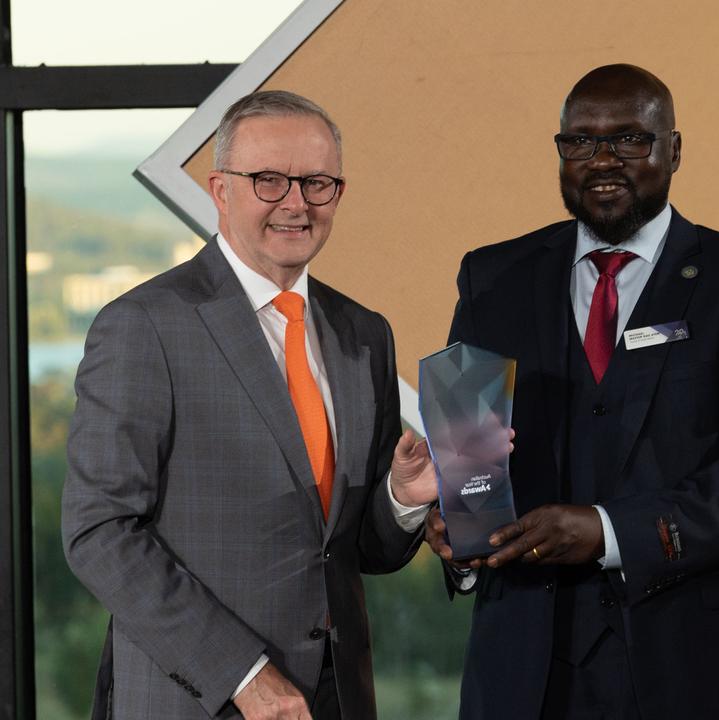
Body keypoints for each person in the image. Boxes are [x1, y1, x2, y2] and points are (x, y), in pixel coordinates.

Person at [426, 63, 719, 720]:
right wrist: (459, 533)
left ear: (674, 150)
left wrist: (609, 531)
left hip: (697, 664)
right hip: (523, 670)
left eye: (629, 140)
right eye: (579, 142)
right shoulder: (492, 279)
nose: (601, 160)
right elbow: (468, 458)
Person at [62, 90, 438, 720]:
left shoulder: (363, 334)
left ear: (338, 193)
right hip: (196, 699)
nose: (296, 202)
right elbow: (100, 533)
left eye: (317, 182)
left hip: (335, 701)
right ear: (220, 188)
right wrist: (245, 676)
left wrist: (401, 497)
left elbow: (350, 550)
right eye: (269, 180)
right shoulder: (144, 325)